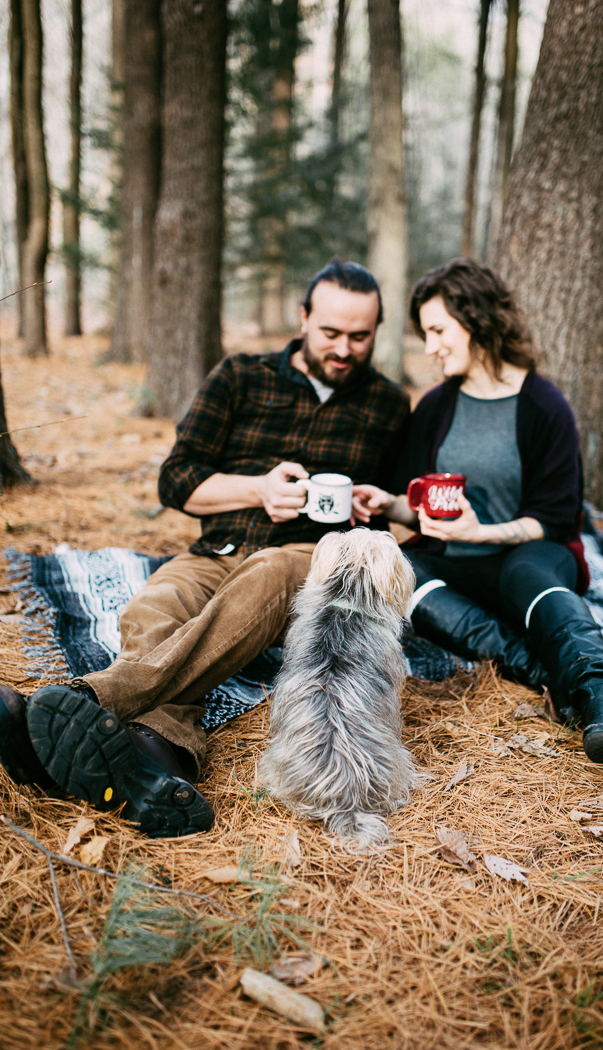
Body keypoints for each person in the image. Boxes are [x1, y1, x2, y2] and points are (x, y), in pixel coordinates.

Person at [0, 260, 410, 835]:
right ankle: (160, 753)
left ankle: (91, 699)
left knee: (267, 574)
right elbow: (177, 479)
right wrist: (258, 488)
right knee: (152, 607)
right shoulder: (242, 375)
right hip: (217, 547)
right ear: (303, 318)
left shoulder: (389, 405)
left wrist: (379, 503)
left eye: (360, 337)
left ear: (377, 330)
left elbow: (405, 516)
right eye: (331, 333)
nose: (344, 348)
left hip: (307, 559)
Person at [353, 258, 603, 765]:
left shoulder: (542, 404)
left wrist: (483, 531)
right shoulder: (435, 408)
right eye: (426, 333)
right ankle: (542, 671)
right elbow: (420, 506)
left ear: (478, 321)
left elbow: (556, 516)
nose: (431, 347)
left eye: (439, 330)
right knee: (400, 574)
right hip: (453, 564)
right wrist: (390, 504)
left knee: (532, 571)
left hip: (527, 557)